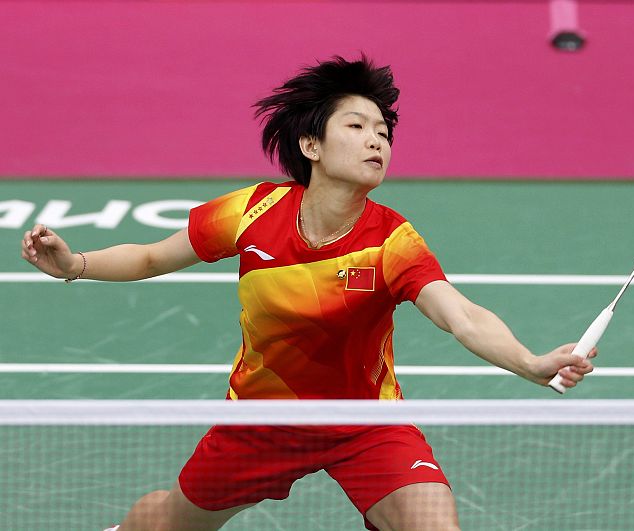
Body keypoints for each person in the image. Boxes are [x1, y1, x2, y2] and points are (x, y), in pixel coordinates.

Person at [20, 55, 596, 531]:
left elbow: (459, 314)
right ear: (311, 146)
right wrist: (76, 264)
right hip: (262, 421)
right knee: (170, 521)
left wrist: (528, 362)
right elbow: (151, 257)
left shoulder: (392, 240)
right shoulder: (253, 212)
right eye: (357, 127)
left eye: (384, 132)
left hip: (365, 423)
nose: (378, 141)